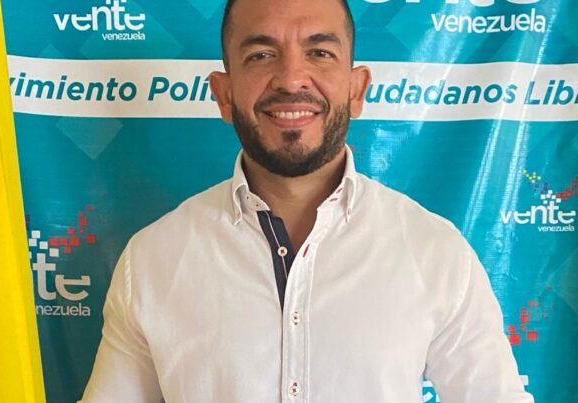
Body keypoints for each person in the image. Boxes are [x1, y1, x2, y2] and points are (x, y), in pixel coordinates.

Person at [80, 0, 534, 402]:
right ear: (224, 94)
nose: (292, 78)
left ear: (356, 89)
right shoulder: (153, 259)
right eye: (261, 55)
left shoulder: (434, 250)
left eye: (319, 52)